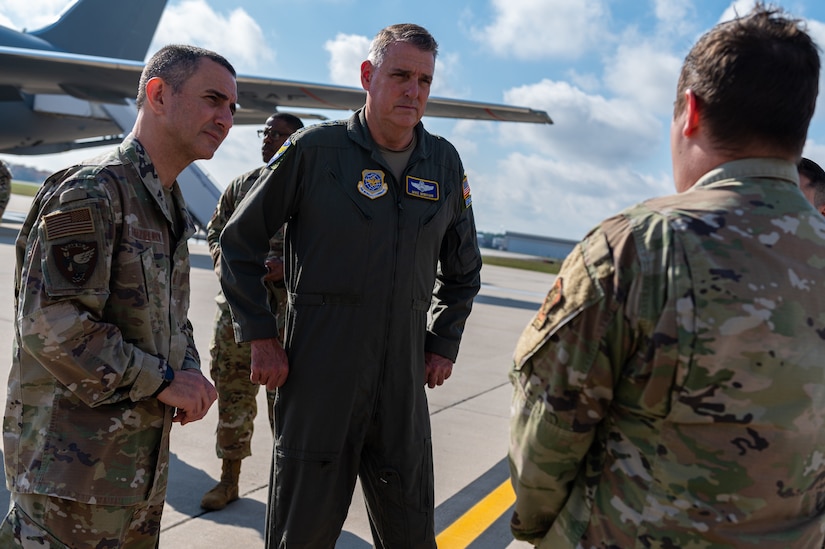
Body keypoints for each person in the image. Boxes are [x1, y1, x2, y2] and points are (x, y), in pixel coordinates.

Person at [508, 5, 825, 548]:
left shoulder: (633, 246)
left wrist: (537, 530)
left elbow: (547, 437)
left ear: (691, 113)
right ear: (799, 125)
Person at [219, 23, 482, 548]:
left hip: (402, 384)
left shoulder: (444, 163)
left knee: (410, 534)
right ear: (368, 75)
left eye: (424, 81)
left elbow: (464, 270)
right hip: (320, 377)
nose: (414, 91)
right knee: (301, 535)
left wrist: (443, 341)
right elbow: (238, 241)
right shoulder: (315, 152)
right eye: (401, 75)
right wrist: (261, 335)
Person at [0, 44, 233, 547]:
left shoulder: (168, 203)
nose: (226, 118)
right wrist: (164, 380)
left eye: (233, 108)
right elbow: (52, 326)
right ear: (158, 95)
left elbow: (170, 319)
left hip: (131, 479)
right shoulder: (92, 192)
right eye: (214, 99)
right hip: (68, 487)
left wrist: (188, 367)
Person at [200, 112, 304, 511]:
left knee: (288, 407)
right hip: (237, 315)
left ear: (297, 141)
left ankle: (288, 489)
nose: (268, 139)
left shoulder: (309, 189)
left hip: (288, 317)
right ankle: (229, 481)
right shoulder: (242, 185)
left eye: (279, 134)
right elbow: (216, 232)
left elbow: (334, 251)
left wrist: (287, 270)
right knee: (233, 397)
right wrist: (228, 270)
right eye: (266, 132)